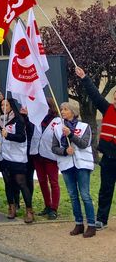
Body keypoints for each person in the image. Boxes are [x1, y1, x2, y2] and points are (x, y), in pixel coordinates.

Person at [76, 66, 116, 231]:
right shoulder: (107, 109)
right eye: (115, 97)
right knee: (105, 190)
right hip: (108, 158)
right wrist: (85, 77)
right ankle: (101, 219)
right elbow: (95, 95)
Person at [51, 102, 96, 238]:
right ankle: (79, 223)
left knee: (85, 195)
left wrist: (70, 135)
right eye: (61, 109)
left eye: (65, 109)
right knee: (73, 195)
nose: (62, 112)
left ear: (73, 112)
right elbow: (53, 148)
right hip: (67, 165)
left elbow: (84, 144)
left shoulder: (84, 126)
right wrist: (65, 151)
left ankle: (92, 225)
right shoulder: (58, 128)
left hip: (82, 165)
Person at [0, 98, 33, 223]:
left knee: (21, 183)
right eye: (2, 105)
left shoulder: (18, 120)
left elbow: (22, 138)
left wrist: (9, 135)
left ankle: (29, 210)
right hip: (4, 156)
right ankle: (11, 207)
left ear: (11, 106)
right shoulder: (2, 120)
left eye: (6, 104)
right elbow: (2, 137)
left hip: (17, 157)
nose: (4, 106)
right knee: (8, 183)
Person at [29, 98, 61, 220]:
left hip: (50, 155)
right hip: (37, 154)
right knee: (42, 181)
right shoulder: (36, 119)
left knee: (53, 182)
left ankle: (54, 208)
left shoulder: (57, 121)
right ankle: (47, 205)